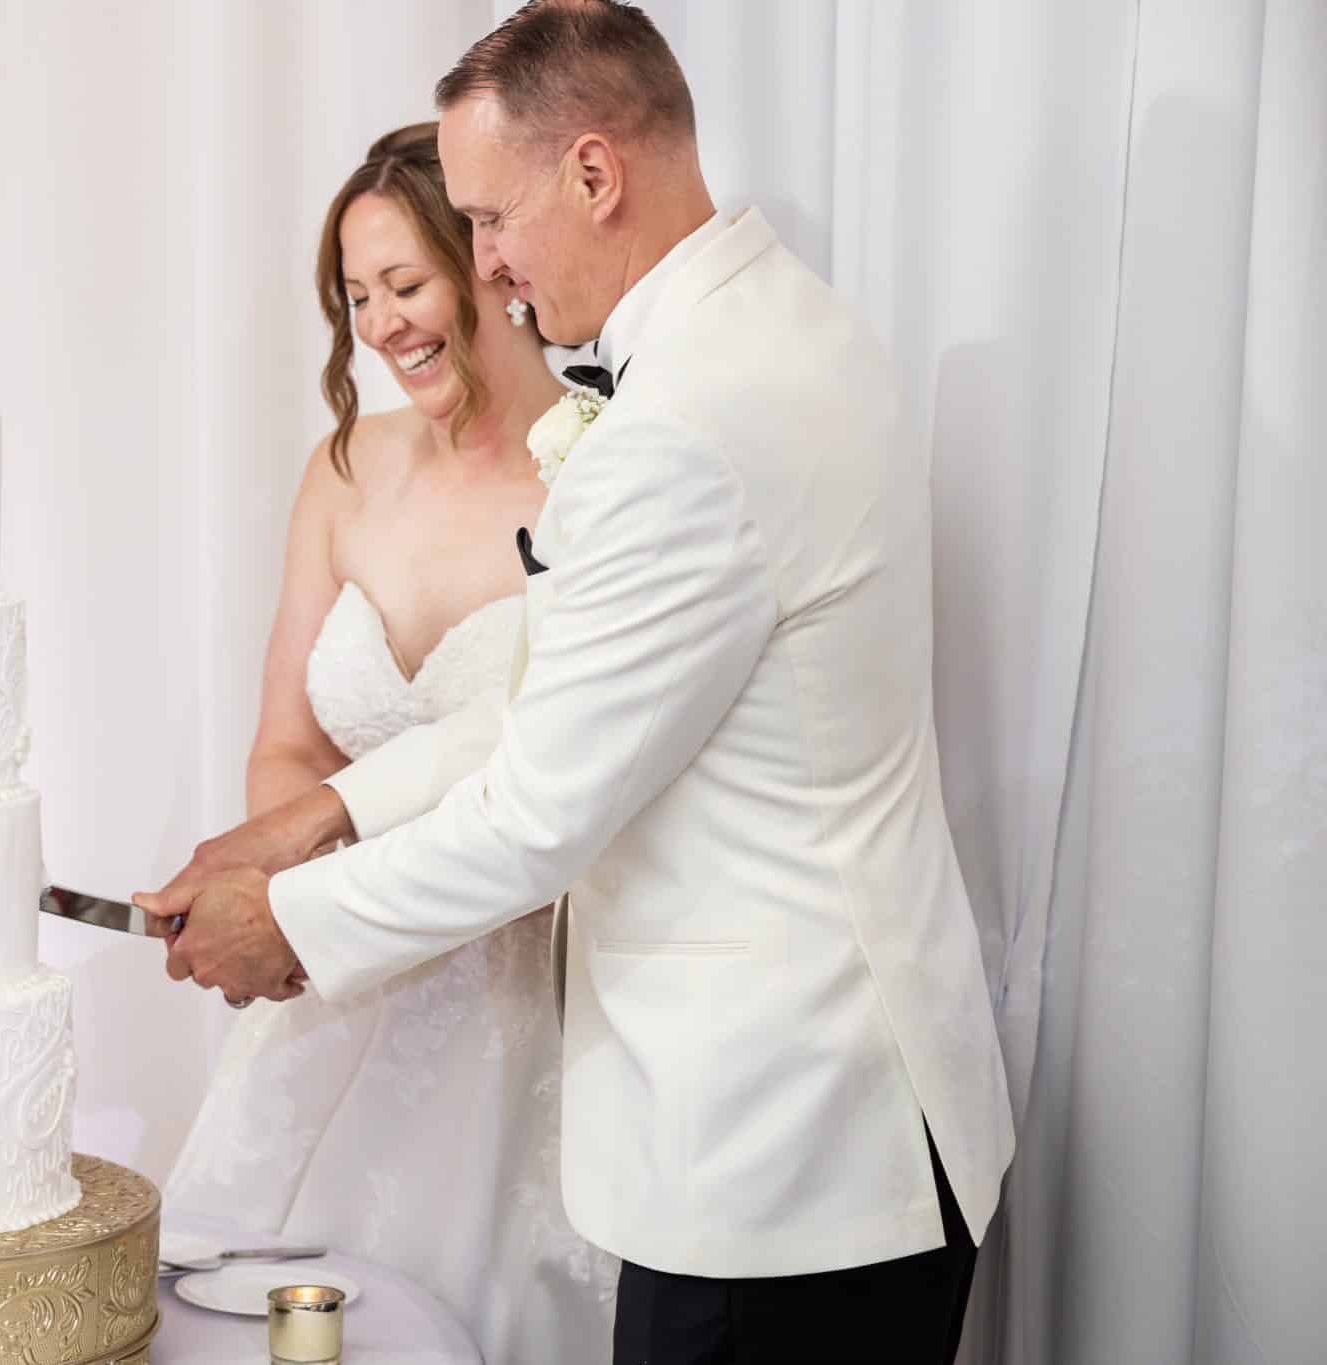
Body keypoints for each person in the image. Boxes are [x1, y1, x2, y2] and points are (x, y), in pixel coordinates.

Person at [138, 3, 1017, 1361]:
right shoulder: (795, 327)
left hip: (778, 1162)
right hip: (849, 1123)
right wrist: (323, 814)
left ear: (596, 173)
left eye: (489, 219)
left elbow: (542, 812)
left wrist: (292, 924)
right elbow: (574, 692)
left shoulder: (683, 426)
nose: (489, 269)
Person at [161, 123, 617, 1361]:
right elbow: (285, 750)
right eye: (354, 298)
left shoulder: (606, 475)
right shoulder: (345, 468)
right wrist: (294, 903)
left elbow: (566, 777)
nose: (380, 327)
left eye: (404, 286)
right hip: (325, 998)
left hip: (528, 1015)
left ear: (489, 260)